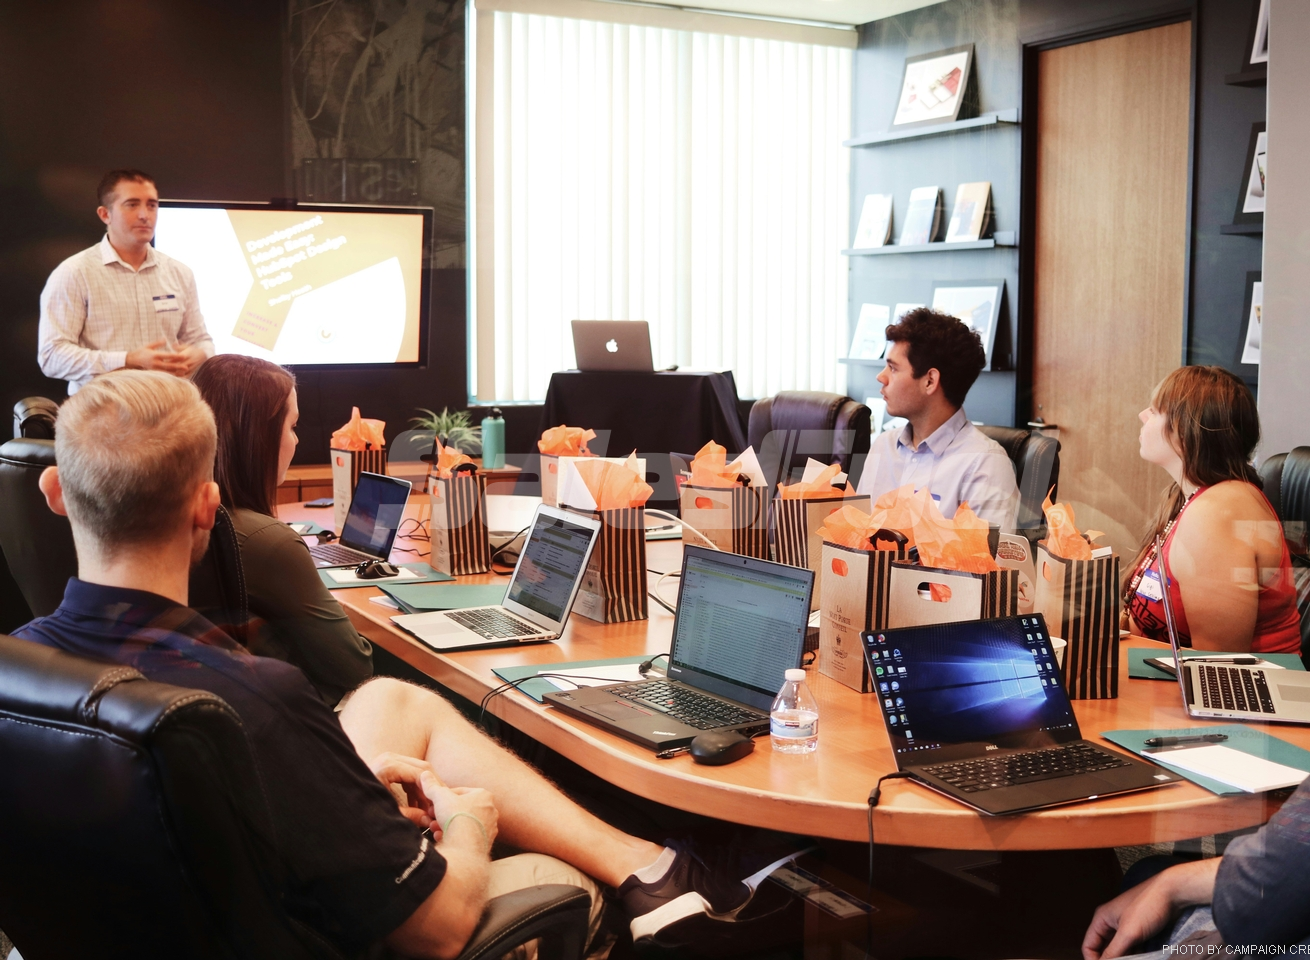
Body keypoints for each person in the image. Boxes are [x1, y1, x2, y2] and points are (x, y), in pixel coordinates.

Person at [15, 370, 758, 957]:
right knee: (562, 886)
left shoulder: (23, 670)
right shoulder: (255, 698)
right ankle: (649, 879)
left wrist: (343, 791)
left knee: (392, 700)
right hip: (339, 934)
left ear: (54, 493)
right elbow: (432, 931)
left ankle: (649, 862)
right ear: (207, 506)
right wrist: (468, 822)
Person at [1082, 641, 1310, 957]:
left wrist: (1174, 885)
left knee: (1132, 892)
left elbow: (1259, 908)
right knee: (1149, 873)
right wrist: (1171, 882)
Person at [191, 354, 371, 706]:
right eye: (292, 427)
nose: (296, 441)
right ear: (257, 437)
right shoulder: (268, 542)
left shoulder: (178, 519)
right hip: (296, 719)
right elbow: (356, 668)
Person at [1122, 365, 1301, 654]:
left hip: (1242, 692)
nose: (1142, 415)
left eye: (1155, 411)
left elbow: (1217, 664)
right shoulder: (1189, 496)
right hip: (1172, 676)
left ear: (1184, 430)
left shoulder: (1218, 512)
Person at [37, 169, 213, 394]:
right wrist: (128, 360)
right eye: (132, 204)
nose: (144, 215)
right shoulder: (74, 273)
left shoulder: (179, 272)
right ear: (105, 215)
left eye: (151, 205)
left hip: (171, 409)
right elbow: (51, 356)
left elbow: (202, 341)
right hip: (103, 413)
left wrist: (200, 354)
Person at [856, 308, 1020, 533]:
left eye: (893, 368)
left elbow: (988, 565)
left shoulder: (985, 465)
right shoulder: (883, 446)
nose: (881, 377)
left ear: (930, 381)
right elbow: (854, 541)